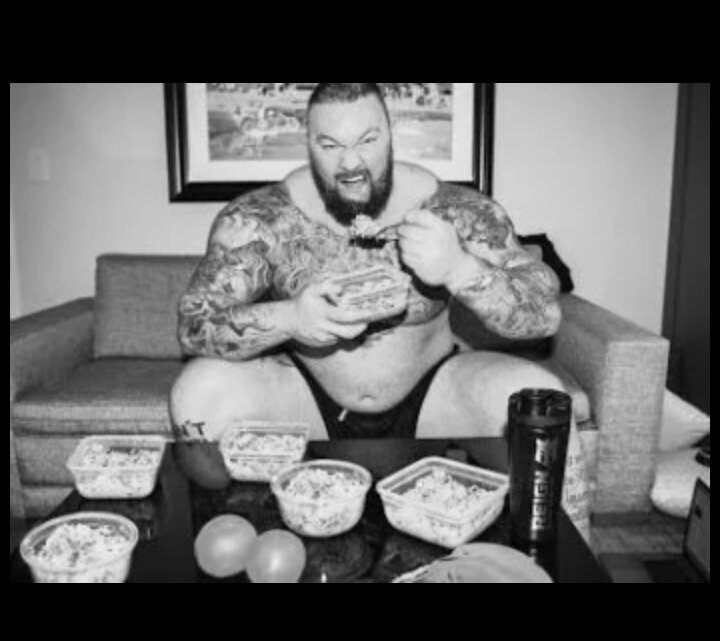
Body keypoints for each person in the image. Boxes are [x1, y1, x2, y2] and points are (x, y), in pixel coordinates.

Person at [170, 83, 588, 537]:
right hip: (305, 399)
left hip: (432, 397)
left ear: (391, 135)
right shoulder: (260, 218)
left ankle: (558, 559)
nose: (351, 163)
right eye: (330, 145)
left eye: (367, 141)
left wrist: (459, 268)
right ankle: (226, 541)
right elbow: (194, 325)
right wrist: (293, 318)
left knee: (542, 397)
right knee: (198, 390)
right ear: (307, 142)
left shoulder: (454, 209)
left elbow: (544, 314)